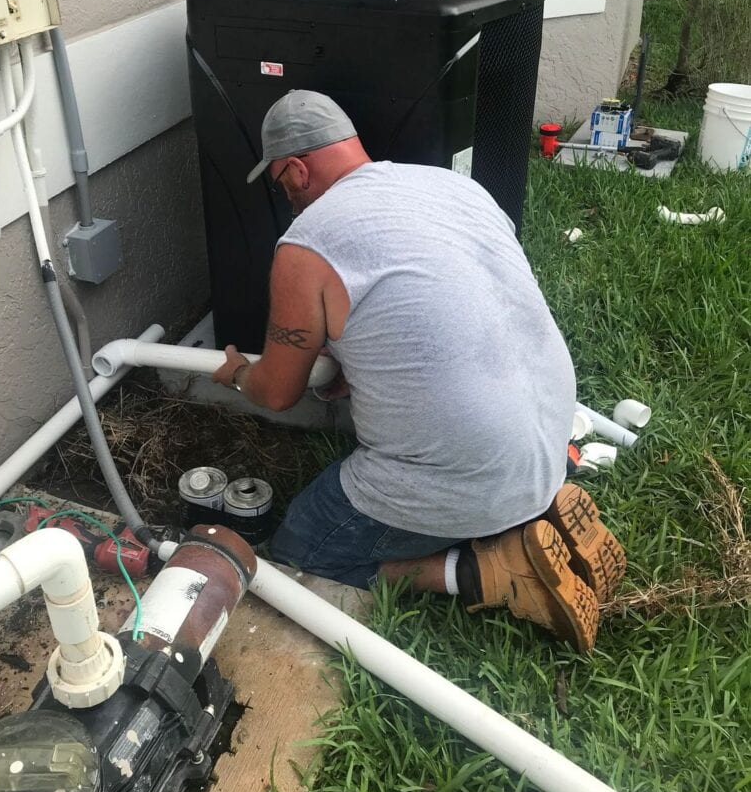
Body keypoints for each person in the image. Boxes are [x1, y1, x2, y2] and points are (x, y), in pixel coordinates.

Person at [213, 90, 626, 652]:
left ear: (296, 169)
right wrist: (365, 365)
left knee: (303, 551)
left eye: (282, 184)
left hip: (480, 470)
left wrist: (237, 372)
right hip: (549, 438)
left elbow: (279, 391)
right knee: (484, 471)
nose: (286, 197)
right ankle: (530, 513)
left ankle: (490, 568)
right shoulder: (454, 187)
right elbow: (445, 308)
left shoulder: (306, 243)